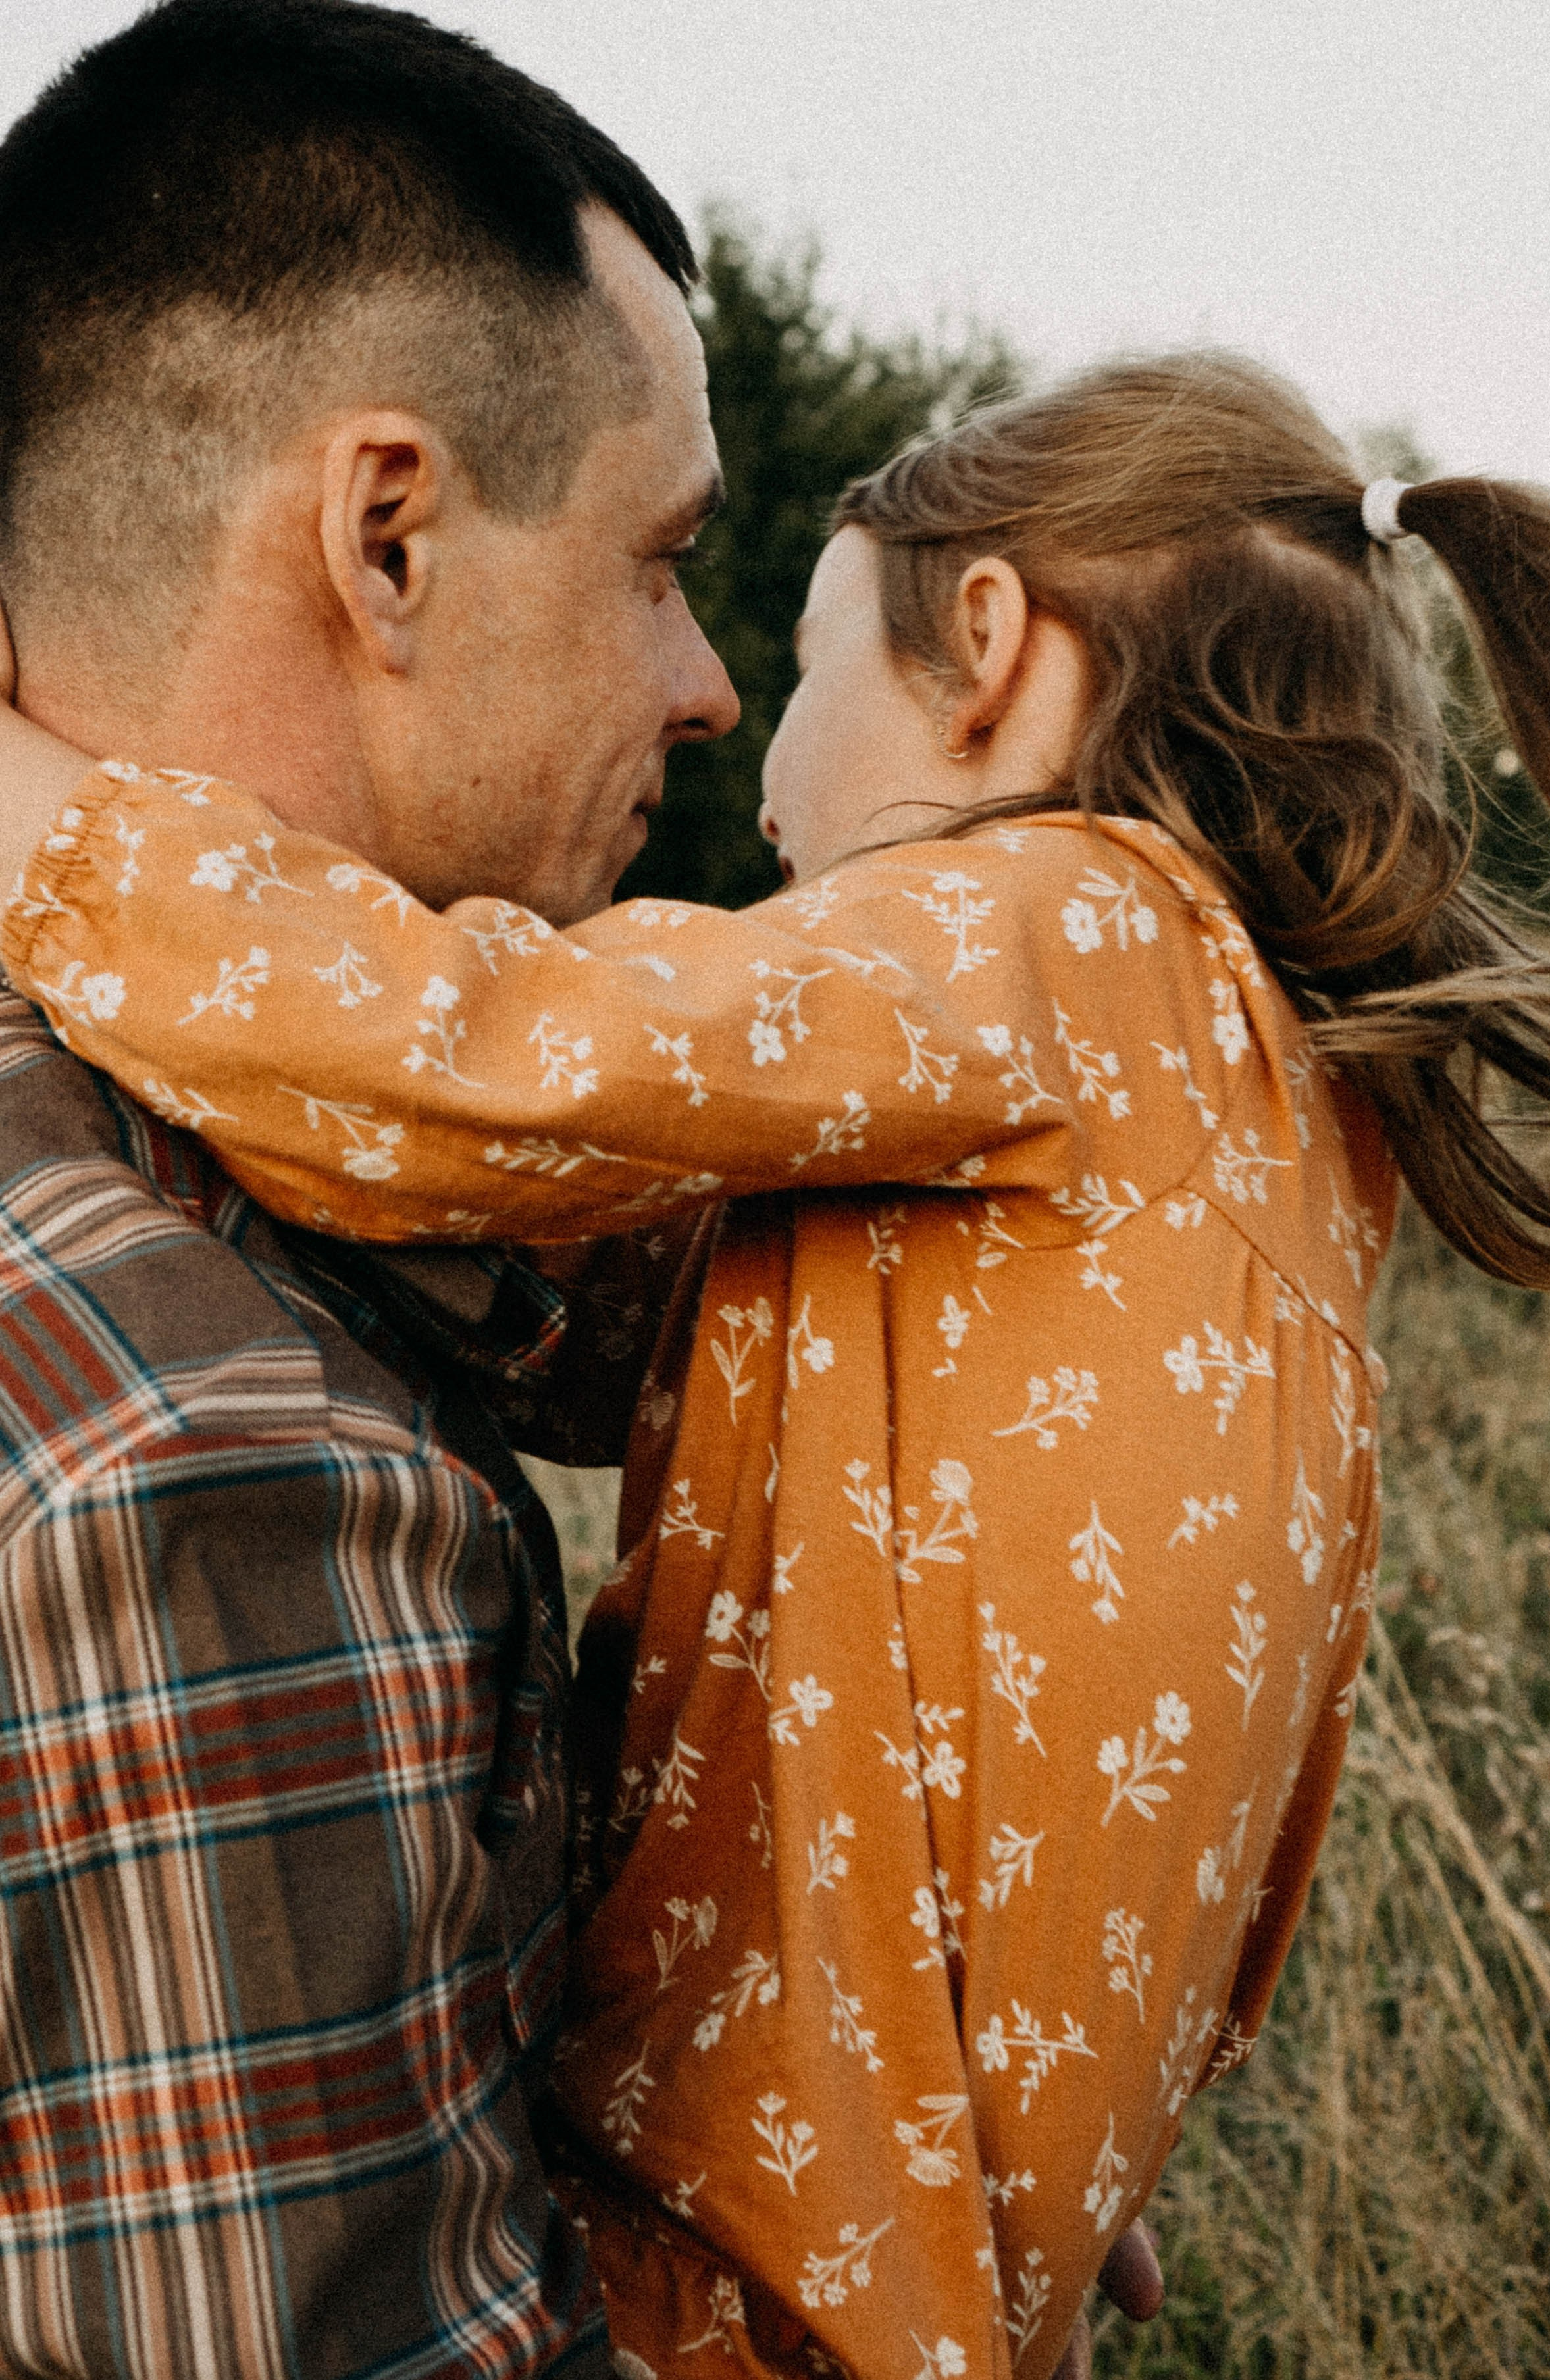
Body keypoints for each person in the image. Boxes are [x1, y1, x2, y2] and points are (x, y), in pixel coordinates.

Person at [11, 355, 1550, 2375]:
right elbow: (645, 1333)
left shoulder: (1062, 925)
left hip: (706, 2270)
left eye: (806, 643)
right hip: (904, 2277)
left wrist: (49, 823)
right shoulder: (1250, 1116)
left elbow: (479, 1059)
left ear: (990, 655)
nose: (745, 726)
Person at [0, 5, 1163, 2373]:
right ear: (386, 536)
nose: (716, 686)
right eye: (661, 560)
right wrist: (902, 2293)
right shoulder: (216, 1464)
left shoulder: (208, 1210)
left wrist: (829, 2100)